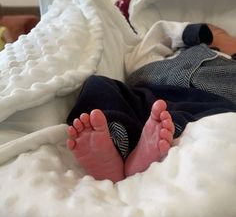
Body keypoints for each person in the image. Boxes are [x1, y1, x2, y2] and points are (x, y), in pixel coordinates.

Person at [66, 21, 236, 182]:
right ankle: (114, 144)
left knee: (222, 118)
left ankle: (146, 147)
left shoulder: (229, 62)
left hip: (208, 102)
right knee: (98, 86)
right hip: (149, 96)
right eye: (218, 32)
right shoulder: (167, 53)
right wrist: (190, 32)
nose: (225, 36)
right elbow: (158, 35)